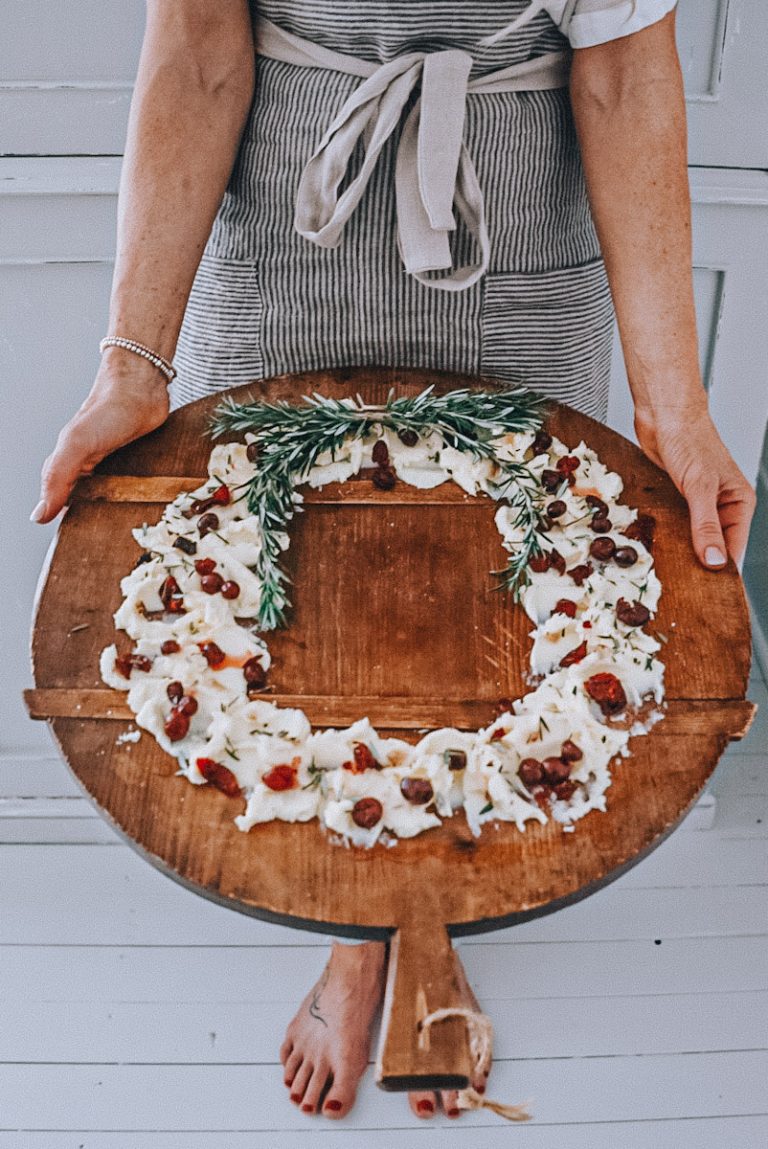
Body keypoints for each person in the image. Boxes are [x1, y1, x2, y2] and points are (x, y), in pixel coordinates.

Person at [31, 0, 755, 1124]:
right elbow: (196, 46)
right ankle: (362, 941)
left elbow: (622, 75)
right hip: (284, 220)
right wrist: (133, 358)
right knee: (293, 618)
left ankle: (423, 915)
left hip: (516, 227)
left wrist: (675, 405)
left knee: (489, 629)